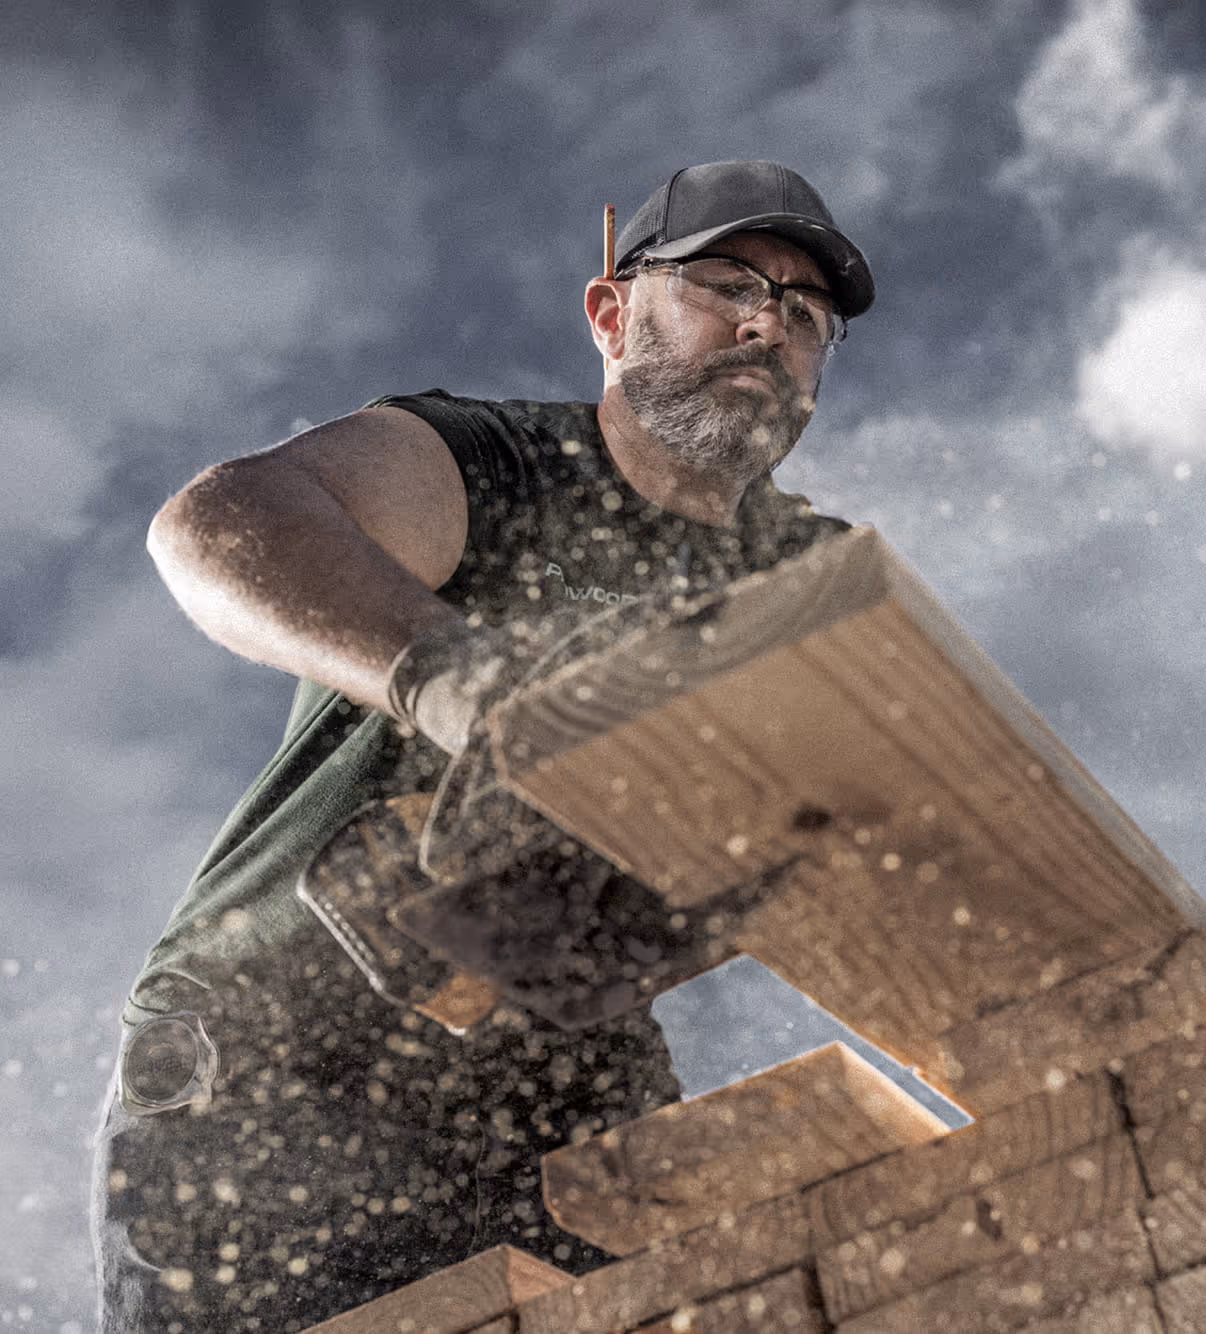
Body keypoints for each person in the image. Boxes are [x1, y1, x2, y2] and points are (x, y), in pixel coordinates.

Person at [91, 159, 875, 1333]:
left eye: (805, 314)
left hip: (557, 1109)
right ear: (612, 315)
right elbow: (220, 525)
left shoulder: (798, 576)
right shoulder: (490, 464)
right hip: (282, 1066)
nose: (767, 321)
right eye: (724, 283)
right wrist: (471, 683)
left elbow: (890, 788)